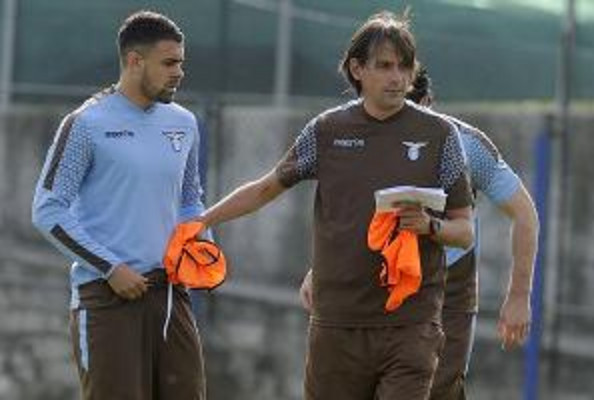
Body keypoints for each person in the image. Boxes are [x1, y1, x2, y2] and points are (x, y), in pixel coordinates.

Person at [198, 11, 474, 400]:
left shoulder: (440, 134)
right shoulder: (326, 131)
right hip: (336, 325)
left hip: (411, 325)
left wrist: (429, 226)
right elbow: (265, 188)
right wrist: (204, 219)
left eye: (404, 66)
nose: (397, 77)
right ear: (357, 69)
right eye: (384, 66)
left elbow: (465, 231)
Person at [299, 67, 540, 400]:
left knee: (437, 389)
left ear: (426, 102)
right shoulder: (365, 137)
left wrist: (518, 296)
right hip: (375, 291)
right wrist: (320, 270)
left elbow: (525, 214)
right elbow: (353, 215)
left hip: (447, 294)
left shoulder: (464, 145)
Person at [32, 11, 207, 400]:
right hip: (106, 298)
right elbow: (48, 209)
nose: (179, 72)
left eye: (181, 62)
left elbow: (190, 198)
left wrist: (200, 244)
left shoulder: (184, 123)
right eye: (169, 63)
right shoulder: (85, 124)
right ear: (134, 61)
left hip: (171, 297)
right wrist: (110, 267)